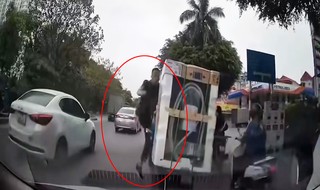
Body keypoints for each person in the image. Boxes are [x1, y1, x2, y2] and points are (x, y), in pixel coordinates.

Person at [232, 103, 266, 189]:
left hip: (250, 156)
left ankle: (237, 183)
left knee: (237, 164)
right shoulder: (263, 125)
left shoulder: (251, 125)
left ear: (252, 113)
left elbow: (244, 138)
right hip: (262, 156)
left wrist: (240, 139)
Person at [135, 67, 160, 179]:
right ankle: (142, 162)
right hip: (144, 116)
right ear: (152, 76)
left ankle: (148, 159)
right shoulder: (146, 83)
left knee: (152, 139)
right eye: (155, 77)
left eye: (158, 77)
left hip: (151, 117)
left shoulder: (159, 87)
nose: (156, 79)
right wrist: (145, 93)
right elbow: (138, 92)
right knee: (149, 139)